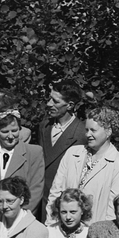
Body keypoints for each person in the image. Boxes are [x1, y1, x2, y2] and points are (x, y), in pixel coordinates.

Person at [45, 106, 119, 224]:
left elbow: (115, 208)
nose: (88, 134)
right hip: (63, 228)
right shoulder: (72, 153)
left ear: (108, 131)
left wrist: (103, 237)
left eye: (93, 130)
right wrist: (51, 225)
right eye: (86, 130)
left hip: (94, 233)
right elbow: (55, 192)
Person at [39, 81, 87, 218]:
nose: (49, 104)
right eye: (49, 99)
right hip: (40, 201)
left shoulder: (81, 133)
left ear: (70, 105)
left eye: (55, 101)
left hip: (65, 205)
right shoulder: (44, 126)